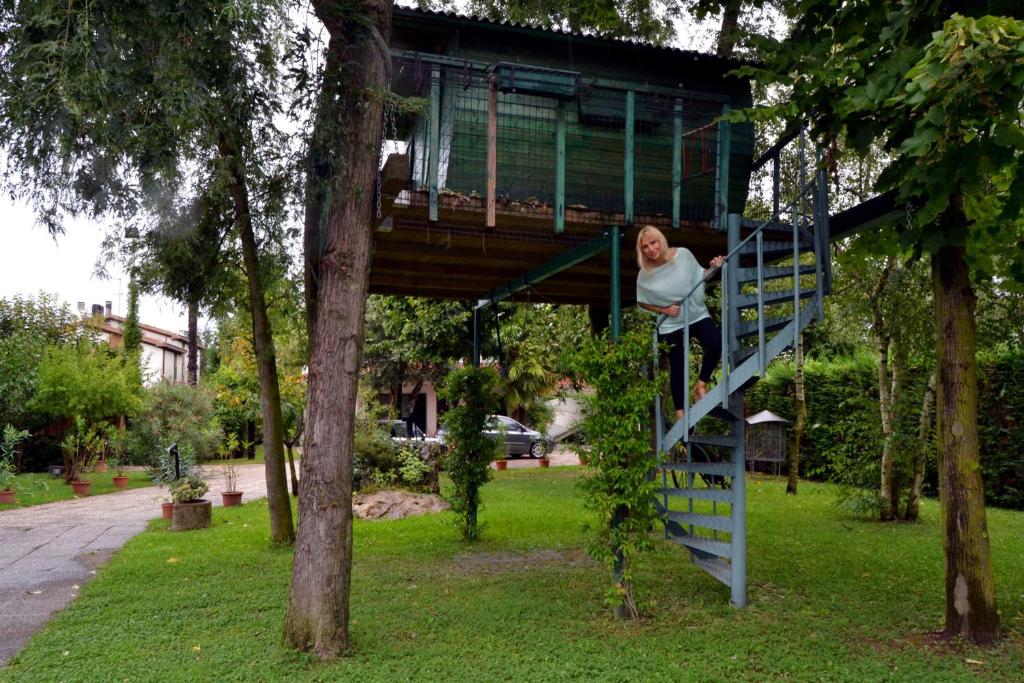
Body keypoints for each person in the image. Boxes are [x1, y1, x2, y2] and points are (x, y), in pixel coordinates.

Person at [635, 225, 724, 422]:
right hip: (671, 324)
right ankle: (680, 412)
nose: (650, 248)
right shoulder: (645, 275)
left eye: (653, 242)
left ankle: (700, 385)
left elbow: (701, 277)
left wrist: (715, 266)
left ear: (661, 240)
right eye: (645, 247)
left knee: (716, 343)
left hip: (696, 314)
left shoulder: (683, 255)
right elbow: (641, 301)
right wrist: (663, 310)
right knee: (679, 365)